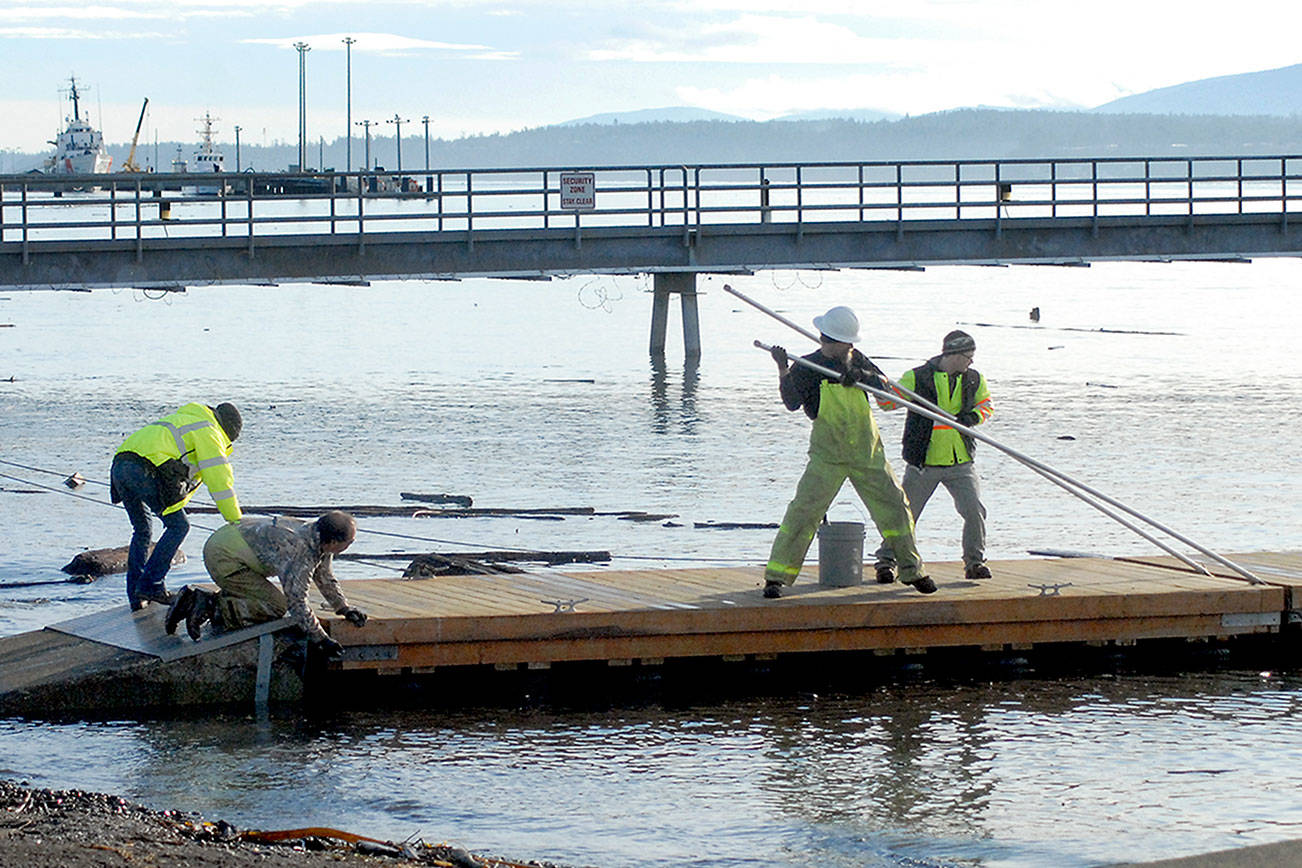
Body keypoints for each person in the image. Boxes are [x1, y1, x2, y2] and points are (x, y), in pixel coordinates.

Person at [763, 305, 934, 599]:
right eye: (826, 341)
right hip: (827, 455)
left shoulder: (860, 362)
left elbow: (888, 397)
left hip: (867, 454)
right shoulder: (807, 366)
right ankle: (776, 577)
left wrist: (862, 376)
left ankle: (911, 570)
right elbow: (791, 403)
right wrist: (782, 369)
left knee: (896, 508)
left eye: (836, 342)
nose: (830, 346)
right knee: (802, 513)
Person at [874, 330, 994, 581]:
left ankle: (975, 562)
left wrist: (973, 417)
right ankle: (887, 560)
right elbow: (888, 404)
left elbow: (986, 406)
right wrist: (876, 385)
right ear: (953, 354)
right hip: (923, 463)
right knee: (906, 513)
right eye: (968, 356)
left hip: (960, 461)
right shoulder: (918, 377)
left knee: (974, 511)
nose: (971, 361)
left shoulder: (973, 379)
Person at [166, 510, 368, 657]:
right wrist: (321, 639)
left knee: (266, 598)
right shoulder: (299, 549)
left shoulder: (316, 535)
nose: (350, 545)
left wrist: (343, 608)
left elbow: (324, 577)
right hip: (223, 556)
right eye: (349, 542)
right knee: (275, 606)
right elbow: (296, 602)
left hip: (230, 542)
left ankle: (204, 601)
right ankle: (207, 606)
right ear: (333, 541)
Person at [109, 402, 243, 610]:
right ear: (228, 431)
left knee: (142, 530)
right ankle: (152, 584)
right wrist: (235, 520)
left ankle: (136, 595)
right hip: (143, 471)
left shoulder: (188, 419)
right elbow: (220, 482)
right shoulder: (209, 432)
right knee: (179, 526)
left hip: (120, 465)